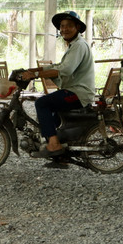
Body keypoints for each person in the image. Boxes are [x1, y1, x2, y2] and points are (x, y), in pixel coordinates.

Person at [21, 11, 95, 158]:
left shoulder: (79, 45)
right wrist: (36, 70)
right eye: (62, 26)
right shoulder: (74, 45)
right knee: (52, 117)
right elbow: (59, 65)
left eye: (69, 26)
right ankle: (61, 155)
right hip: (74, 91)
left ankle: (54, 145)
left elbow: (65, 69)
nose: (64, 29)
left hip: (78, 93)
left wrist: (36, 74)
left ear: (78, 27)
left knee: (42, 103)